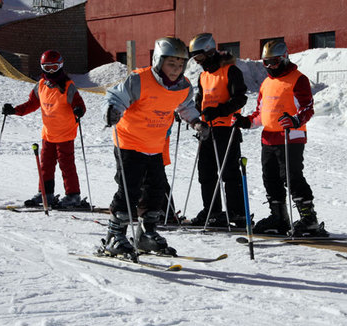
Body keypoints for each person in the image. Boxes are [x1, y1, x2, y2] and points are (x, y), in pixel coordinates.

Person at [100, 37, 209, 257]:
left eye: (180, 65)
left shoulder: (184, 87)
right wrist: (112, 110)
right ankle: (115, 236)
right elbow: (116, 96)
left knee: (156, 191)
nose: (176, 70)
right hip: (129, 142)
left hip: (155, 145)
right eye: (171, 64)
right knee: (129, 189)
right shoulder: (140, 80)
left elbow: (185, 107)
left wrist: (196, 122)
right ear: (158, 61)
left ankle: (146, 235)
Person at [233, 40, 324, 236]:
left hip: (291, 137)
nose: (269, 67)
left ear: (284, 59)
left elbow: (307, 108)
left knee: (291, 177)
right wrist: (246, 122)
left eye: (273, 62)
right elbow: (261, 113)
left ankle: (309, 219)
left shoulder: (298, 79)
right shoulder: (266, 83)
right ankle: (279, 217)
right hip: (268, 138)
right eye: (265, 63)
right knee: (270, 178)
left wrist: (295, 120)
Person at [2, 50, 86, 208]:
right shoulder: (40, 85)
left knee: (66, 166)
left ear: (60, 66)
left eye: (54, 67)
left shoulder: (68, 86)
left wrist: (79, 110)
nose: (51, 71)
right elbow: (31, 104)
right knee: (45, 165)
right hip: (48, 134)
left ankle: (73, 196)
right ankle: (45, 194)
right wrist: (14, 110)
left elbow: (79, 104)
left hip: (65, 134)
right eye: (47, 68)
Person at [188, 32, 248, 228]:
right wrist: (193, 113)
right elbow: (201, 100)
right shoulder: (204, 75)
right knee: (205, 173)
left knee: (229, 173)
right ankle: (213, 211)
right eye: (195, 58)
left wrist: (219, 112)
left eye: (199, 57)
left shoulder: (231, 71)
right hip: (207, 130)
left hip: (226, 130)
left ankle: (237, 214)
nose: (197, 62)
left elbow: (240, 99)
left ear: (210, 52)